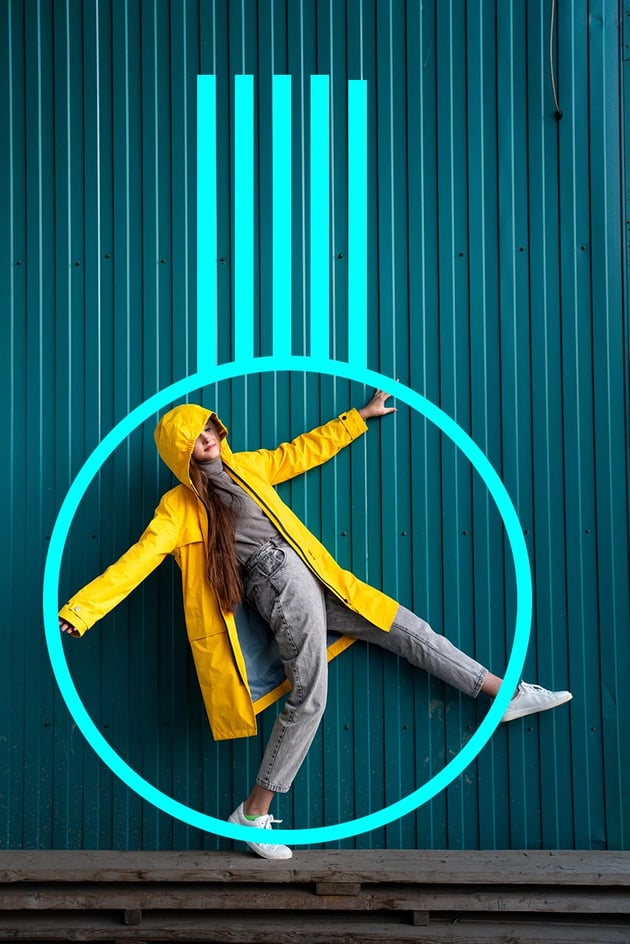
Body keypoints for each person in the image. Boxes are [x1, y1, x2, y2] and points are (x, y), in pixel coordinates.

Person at [59, 391, 572, 860]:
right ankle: (253, 814)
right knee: (311, 694)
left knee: (406, 628)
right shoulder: (178, 507)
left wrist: (359, 418)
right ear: (181, 452)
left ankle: (502, 695)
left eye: (209, 428)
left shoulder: (247, 469)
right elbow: (137, 559)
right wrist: (81, 611)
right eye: (194, 436)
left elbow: (299, 451)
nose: (207, 437)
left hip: (316, 575)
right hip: (276, 576)